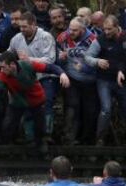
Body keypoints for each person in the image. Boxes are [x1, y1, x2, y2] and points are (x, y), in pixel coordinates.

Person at [0, 51, 69, 154]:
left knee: (39, 125)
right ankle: (7, 148)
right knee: (7, 125)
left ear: (12, 64)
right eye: (0, 67)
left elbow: (50, 67)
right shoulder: (2, 75)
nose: (1, 70)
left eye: (3, 67)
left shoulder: (28, 65)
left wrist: (62, 74)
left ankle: (41, 145)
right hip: (17, 102)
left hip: (36, 100)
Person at [8, 12, 60, 144]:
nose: (22, 29)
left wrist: (28, 60)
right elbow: (9, 55)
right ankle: (30, 136)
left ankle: (46, 134)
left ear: (33, 25)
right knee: (27, 106)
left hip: (45, 75)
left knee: (46, 102)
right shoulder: (17, 38)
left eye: (25, 27)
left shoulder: (46, 37)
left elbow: (50, 60)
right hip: (28, 78)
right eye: (20, 27)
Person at [84, 15, 126, 146]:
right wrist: (97, 61)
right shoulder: (100, 39)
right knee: (106, 109)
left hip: (122, 79)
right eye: (104, 29)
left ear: (117, 27)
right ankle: (100, 139)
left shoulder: (124, 38)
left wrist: (122, 71)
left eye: (109, 29)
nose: (106, 32)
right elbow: (87, 56)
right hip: (104, 80)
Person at [57, 17, 98, 145]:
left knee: (89, 111)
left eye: (75, 30)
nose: (71, 33)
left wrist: (85, 68)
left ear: (83, 29)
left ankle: (87, 141)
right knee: (73, 106)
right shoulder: (63, 37)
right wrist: (61, 58)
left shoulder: (93, 40)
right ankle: (69, 138)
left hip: (90, 81)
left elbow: (98, 63)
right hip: (72, 79)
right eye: (70, 29)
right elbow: (55, 58)